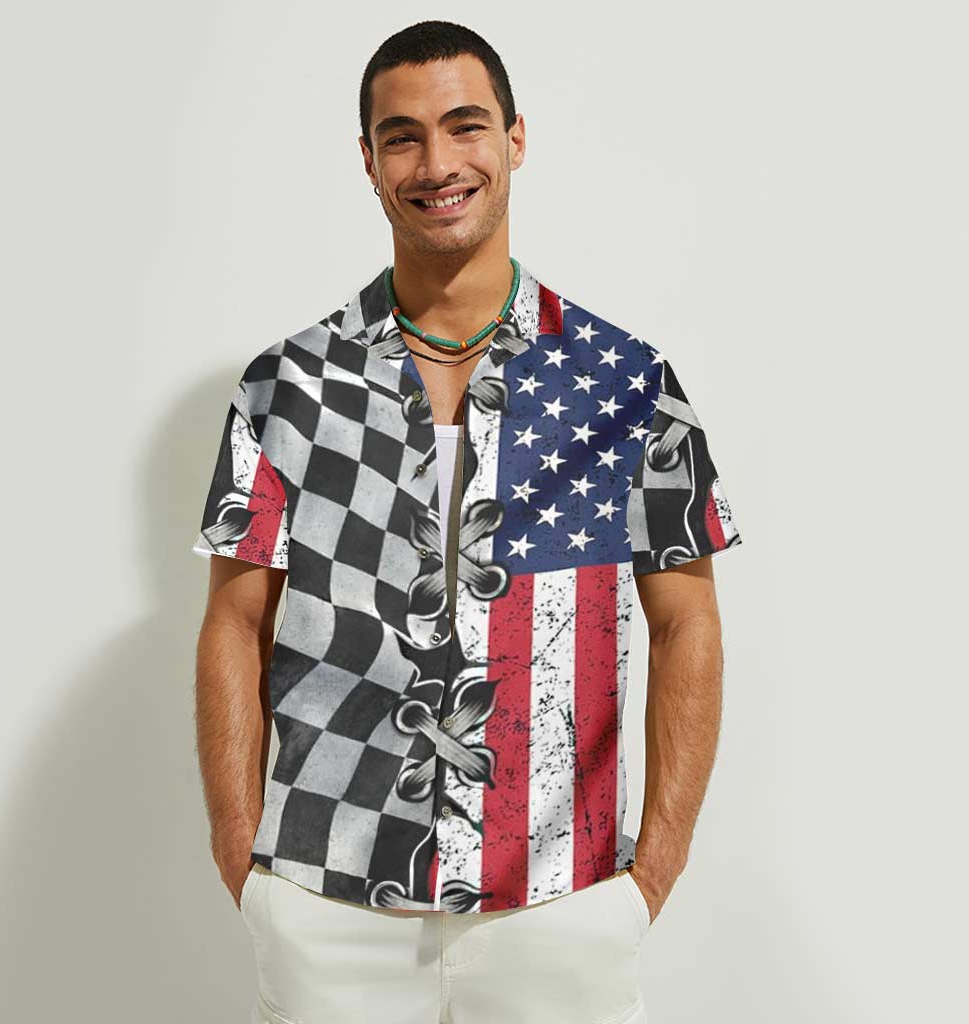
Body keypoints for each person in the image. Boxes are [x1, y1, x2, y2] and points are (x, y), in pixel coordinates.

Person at [191, 20, 743, 1024]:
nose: (436, 163)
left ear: (515, 140)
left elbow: (685, 622)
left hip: (561, 903)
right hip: (324, 899)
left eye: (465, 126)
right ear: (367, 161)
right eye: (401, 136)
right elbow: (235, 622)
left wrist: (651, 873)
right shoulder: (289, 385)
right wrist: (244, 859)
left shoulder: (625, 383)